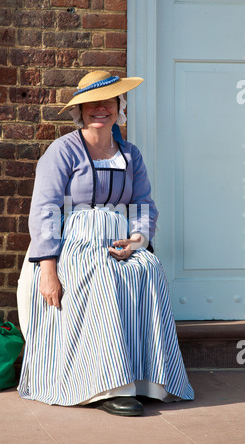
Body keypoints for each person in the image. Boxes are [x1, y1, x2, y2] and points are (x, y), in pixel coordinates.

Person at [18, 71, 194, 416]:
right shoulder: (63, 151)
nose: (101, 109)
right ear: (80, 111)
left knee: (150, 269)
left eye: (109, 102)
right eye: (91, 104)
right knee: (100, 274)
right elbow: (45, 209)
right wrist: (48, 269)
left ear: (119, 107)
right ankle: (107, 385)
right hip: (75, 242)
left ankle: (146, 381)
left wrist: (138, 240)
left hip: (121, 240)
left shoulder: (130, 154)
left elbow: (144, 205)